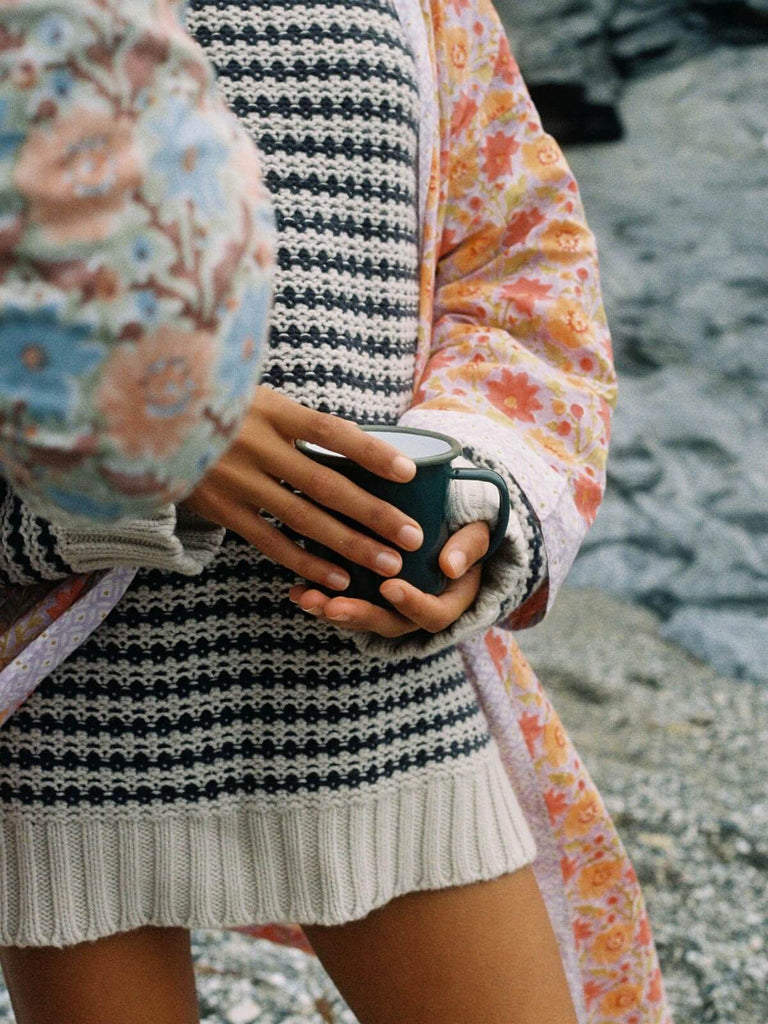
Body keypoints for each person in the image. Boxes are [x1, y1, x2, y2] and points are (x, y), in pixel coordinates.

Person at [0, 0, 672, 1022]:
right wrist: (150, 434)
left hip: (379, 699)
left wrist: (471, 495)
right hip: (66, 716)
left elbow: (520, 262)